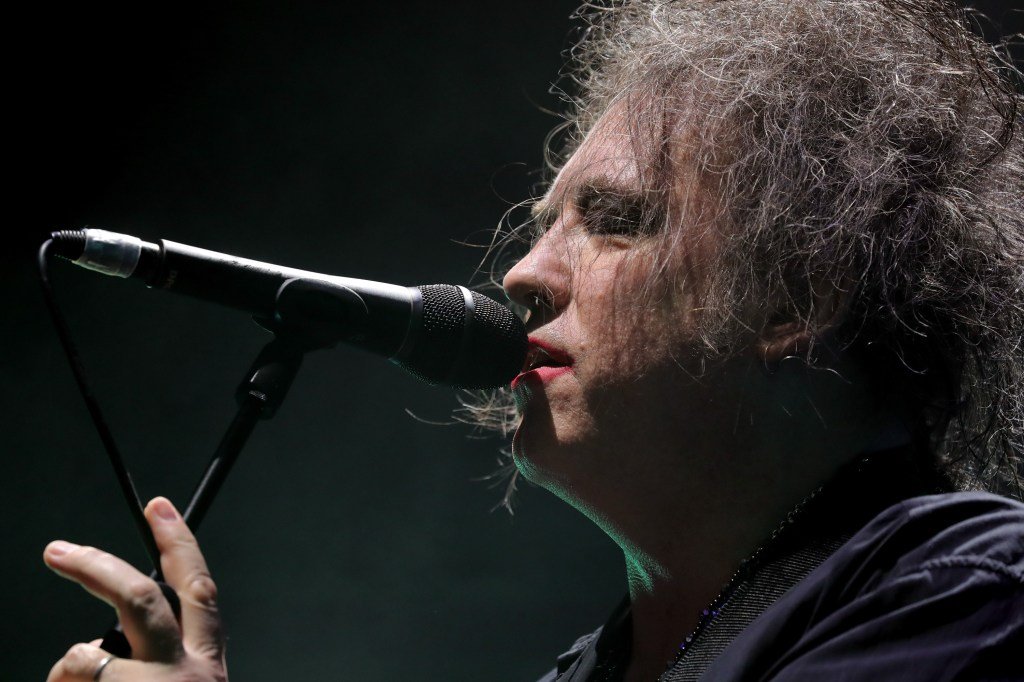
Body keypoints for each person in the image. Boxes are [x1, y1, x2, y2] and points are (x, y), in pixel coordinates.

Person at [44, 1, 1023, 680]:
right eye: (543, 220)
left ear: (793, 298)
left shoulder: (965, 595)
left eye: (612, 219)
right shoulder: (596, 663)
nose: (520, 273)